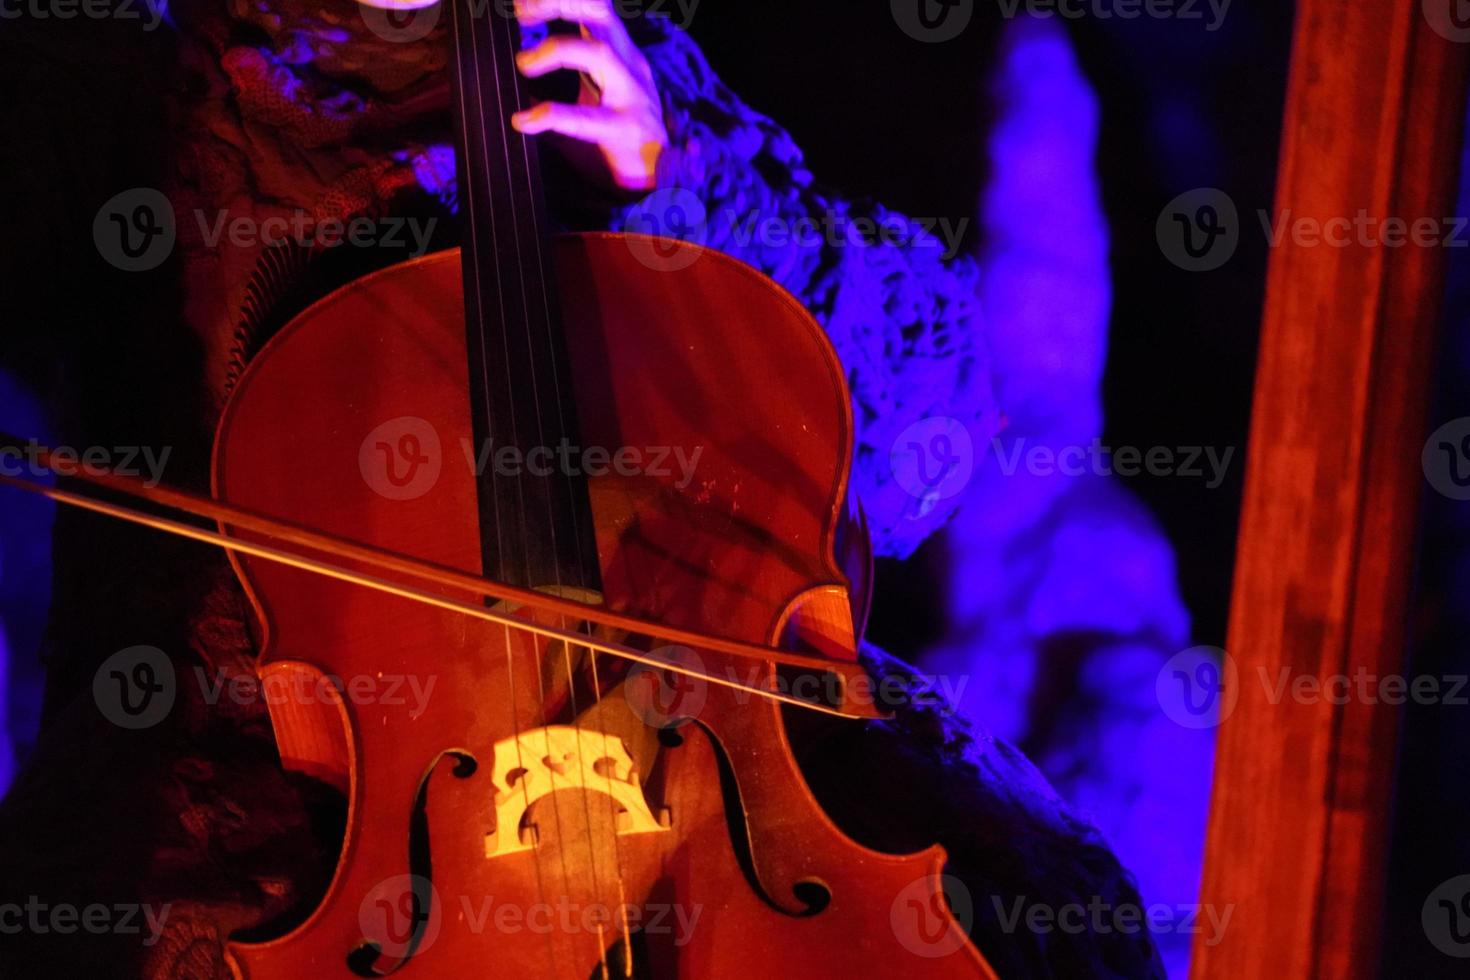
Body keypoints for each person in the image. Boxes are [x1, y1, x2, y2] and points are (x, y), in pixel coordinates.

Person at [0, 2, 1162, 976]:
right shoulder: (130, 71)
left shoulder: (587, 48)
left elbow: (935, 438)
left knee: (1033, 920)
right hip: (267, 815)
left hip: (692, 775)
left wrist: (690, 189)